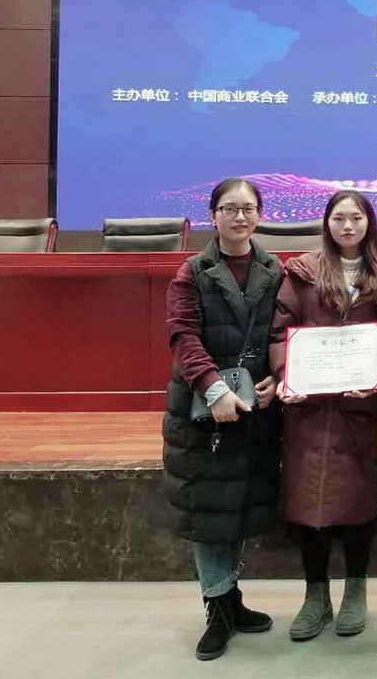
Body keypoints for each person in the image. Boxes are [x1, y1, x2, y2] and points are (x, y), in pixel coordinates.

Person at [161, 177, 283, 661]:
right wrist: (214, 389)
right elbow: (183, 336)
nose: (239, 217)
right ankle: (216, 609)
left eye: (248, 208)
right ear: (213, 215)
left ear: (259, 215)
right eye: (230, 208)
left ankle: (231, 600)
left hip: (255, 406)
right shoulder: (192, 271)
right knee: (211, 510)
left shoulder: (274, 269)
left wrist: (278, 375)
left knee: (237, 505)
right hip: (203, 407)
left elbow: (282, 331)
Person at [269, 190, 377, 641]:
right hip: (308, 408)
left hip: (360, 406)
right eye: (339, 218)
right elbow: (280, 331)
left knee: (358, 500)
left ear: (369, 223)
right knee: (308, 504)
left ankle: (356, 591)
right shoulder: (302, 272)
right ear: (326, 223)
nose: (347, 226)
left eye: (355, 218)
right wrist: (288, 372)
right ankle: (315, 595)